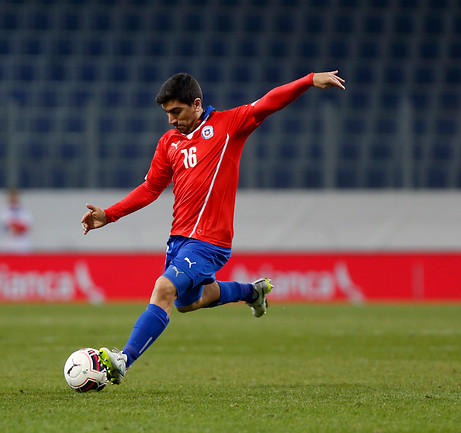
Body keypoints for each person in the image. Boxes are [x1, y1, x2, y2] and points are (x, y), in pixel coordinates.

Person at [81, 70, 346, 384]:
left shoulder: (227, 126)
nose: (170, 120)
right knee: (187, 303)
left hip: (210, 241)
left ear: (196, 104)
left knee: (163, 289)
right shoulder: (169, 143)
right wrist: (109, 214)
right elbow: (151, 188)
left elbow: (267, 104)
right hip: (179, 239)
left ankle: (123, 360)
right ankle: (253, 292)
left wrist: (308, 80)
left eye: (176, 112)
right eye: (167, 114)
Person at [0, 187, 32, 254]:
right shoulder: (3, 211)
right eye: (12, 196)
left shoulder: (25, 212)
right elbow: (4, 225)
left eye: (15, 196)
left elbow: (27, 226)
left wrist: (18, 228)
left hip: (21, 246)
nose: (14, 198)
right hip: (7, 246)